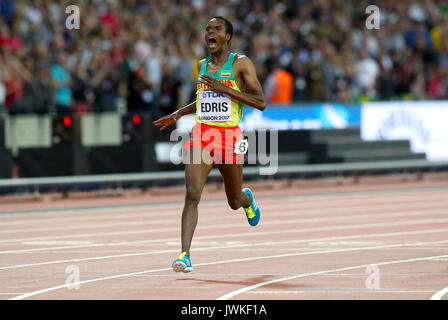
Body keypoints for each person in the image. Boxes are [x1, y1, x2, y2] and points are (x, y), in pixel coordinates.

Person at [153, 16, 266, 273]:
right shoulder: (201, 65)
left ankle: (247, 199)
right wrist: (179, 113)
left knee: (233, 201)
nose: (210, 33)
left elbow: (260, 102)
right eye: (207, 30)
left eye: (216, 29)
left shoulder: (240, 63)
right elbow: (204, 101)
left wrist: (227, 90)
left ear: (227, 36)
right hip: (202, 135)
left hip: (230, 138)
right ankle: (185, 255)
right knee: (192, 194)